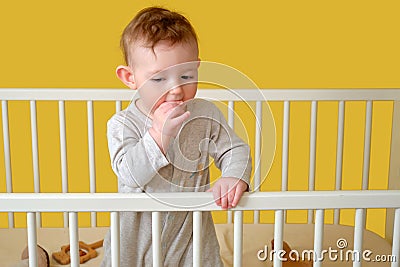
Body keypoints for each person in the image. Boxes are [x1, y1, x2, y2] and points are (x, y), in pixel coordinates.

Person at [101, 6, 252, 266]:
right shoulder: (123, 124)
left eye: (186, 76)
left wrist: (233, 175)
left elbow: (234, 149)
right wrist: (158, 134)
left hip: (191, 237)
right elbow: (129, 174)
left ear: (197, 69)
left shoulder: (204, 114)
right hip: (134, 242)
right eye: (159, 79)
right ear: (130, 77)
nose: (176, 90)